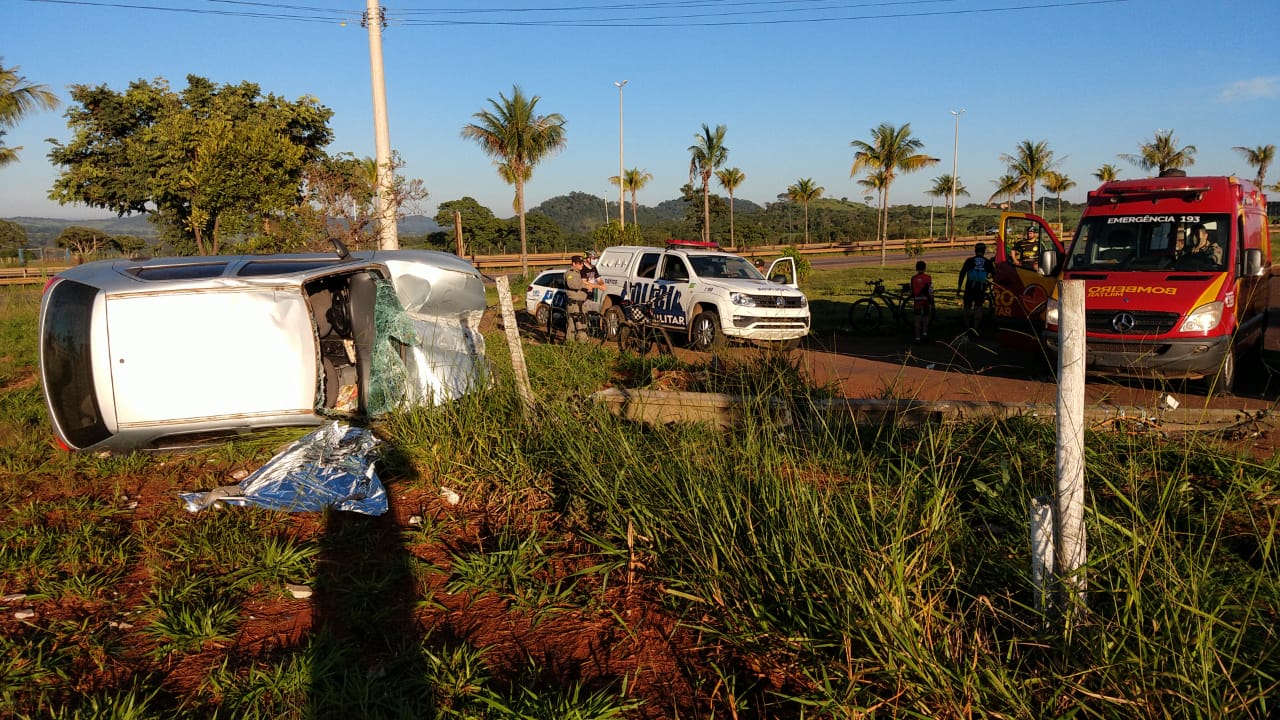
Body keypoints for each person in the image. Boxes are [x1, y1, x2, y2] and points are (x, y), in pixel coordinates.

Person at [958, 242, 993, 337]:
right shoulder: (987, 262)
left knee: (967, 307)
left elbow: (962, 274)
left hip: (970, 286)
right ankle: (975, 329)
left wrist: (959, 287)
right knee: (978, 307)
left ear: (975, 250)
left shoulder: (969, 260)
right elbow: (994, 274)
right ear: (984, 251)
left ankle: (966, 329)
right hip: (980, 286)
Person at [909, 260, 934, 342]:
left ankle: (917, 337)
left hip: (917, 300)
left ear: (916, 268)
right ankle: (925, 333)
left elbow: (912, 291)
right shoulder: (928, 277)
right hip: (926, 300)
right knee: (926, 317)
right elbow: (930, 289)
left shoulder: (913, 278)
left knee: (917, 318)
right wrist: (931, 299)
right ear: (925, 268)